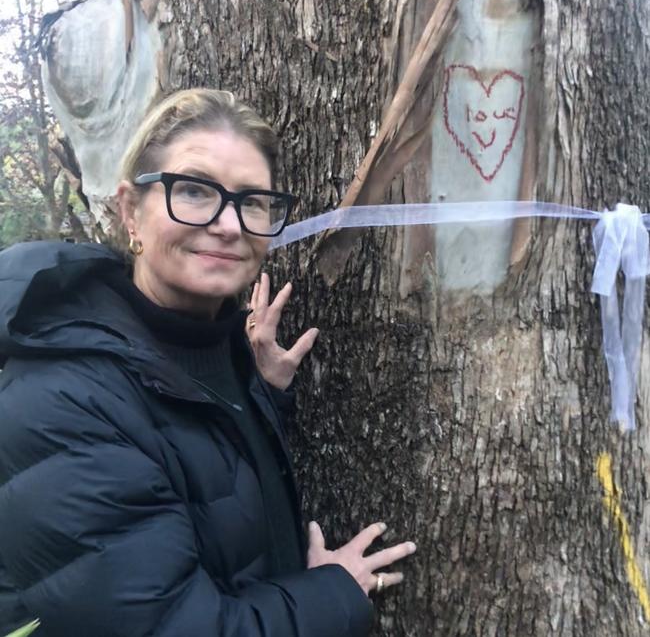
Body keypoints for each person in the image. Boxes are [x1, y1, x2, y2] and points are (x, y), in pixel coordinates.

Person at [0, 89, 416, 636]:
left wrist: (256, 394)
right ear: (130, 210)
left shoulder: (207, 345)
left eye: (252, 201)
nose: (228, 224)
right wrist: (333, 592)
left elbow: (187, 464)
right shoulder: (61, 399)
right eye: (194, 190)